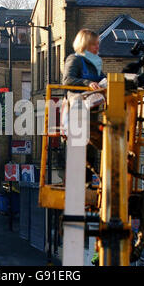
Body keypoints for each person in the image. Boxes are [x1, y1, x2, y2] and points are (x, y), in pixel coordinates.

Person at [62, 29, 105, 183]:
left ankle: (87, 185)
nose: (97, 48)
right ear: (85, 44)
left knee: (91, 151)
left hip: (92, 114)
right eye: (94, 44)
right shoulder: (74, 59)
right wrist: (87, 83)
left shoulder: (95, 63)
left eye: (98, 44)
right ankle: (75, 186)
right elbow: (67, 80)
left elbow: (103, 79)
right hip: (77, 111)